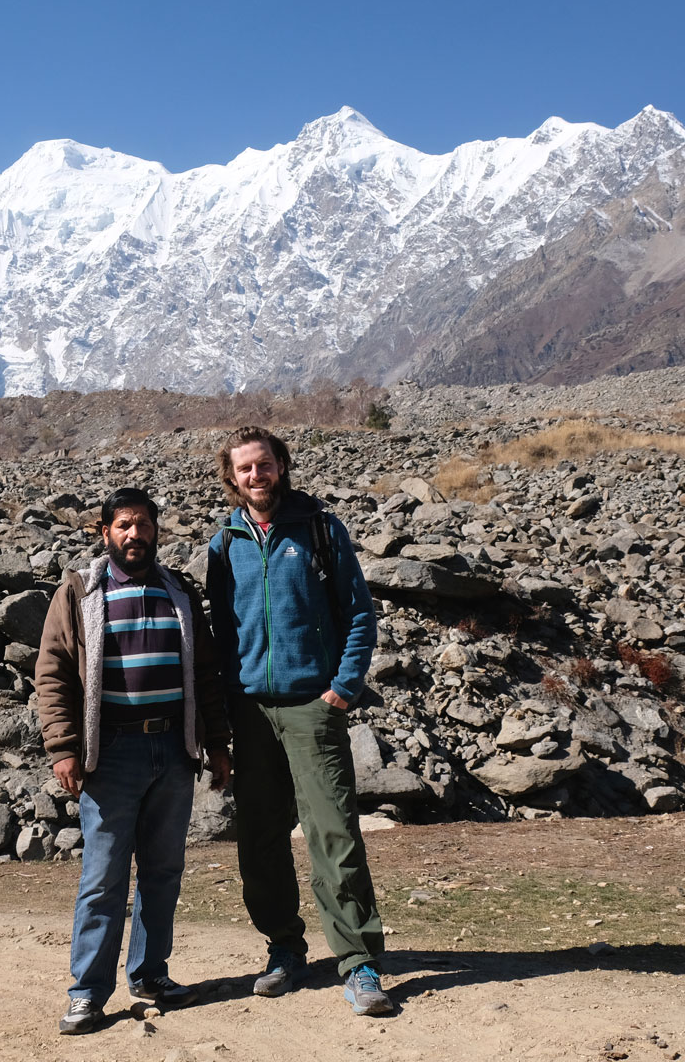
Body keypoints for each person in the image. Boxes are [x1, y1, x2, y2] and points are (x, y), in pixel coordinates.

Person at [205, 426, 394, 1015]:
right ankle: (284, 949)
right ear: (232, 478)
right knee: (260, 839)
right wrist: (223, 713)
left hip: (314, 708)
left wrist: (341, 689)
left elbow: (359, 614)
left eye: (264, 465)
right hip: (251, 711)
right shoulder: (224, 543)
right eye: (244, 470)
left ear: (281, 467)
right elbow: (220, 635)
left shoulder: (319, 529)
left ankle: (358, 962)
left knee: (333, 834)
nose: (255, 477)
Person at [35, 486, 233, 1035]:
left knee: (164, 872)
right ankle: (87, 993)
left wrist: (217, 745)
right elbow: (51, 674)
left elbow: (207, 677)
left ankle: (150, 975)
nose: (134, 534)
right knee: (102, 877)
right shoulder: (79, 593)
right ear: (105, 533)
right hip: (111, 754)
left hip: (173, 750)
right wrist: (64, 749)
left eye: (143, 524)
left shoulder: (179, 593)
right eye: (124, 524)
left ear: (156, 532)